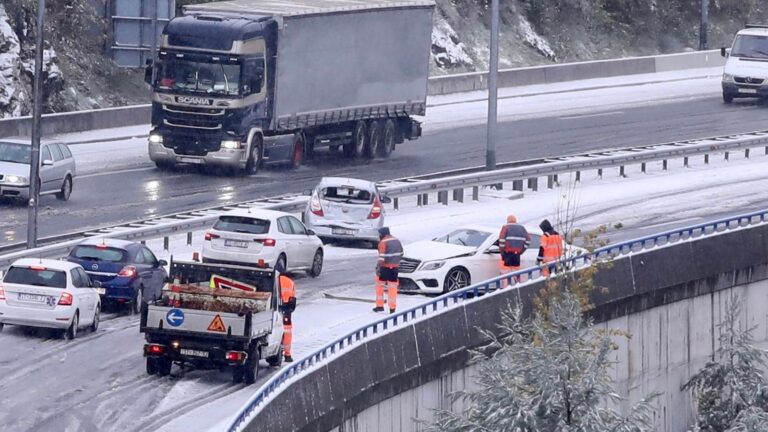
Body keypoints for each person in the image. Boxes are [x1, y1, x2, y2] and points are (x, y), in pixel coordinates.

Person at [373, 227, 403, 314]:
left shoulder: (383, 242)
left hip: (385, 268)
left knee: (379, 285)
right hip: (395, 267)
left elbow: (381, 259)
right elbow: (401, 253)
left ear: (382, 234)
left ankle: (379, 306)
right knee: (393, 287)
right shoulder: (397, 240)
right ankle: (392, 308)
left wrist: (378, 268)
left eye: (379, 234)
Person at [497, 214, 530, 286]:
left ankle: (506, 288)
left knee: (505, 273)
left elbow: (501, 241)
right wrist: (522, 250)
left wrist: (502, 252)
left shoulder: (505, 227)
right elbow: (528, 240)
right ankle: (518, 286)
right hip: (517, 255)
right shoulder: (522, 228)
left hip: (507, 253)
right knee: (516, 272)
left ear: (508, 221)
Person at [276, 262, 296, 363]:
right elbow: (293, 298)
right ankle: (287, 355)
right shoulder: (290, 282)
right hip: (287, 310)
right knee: (287, 331)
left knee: (275, 330)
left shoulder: (273, 280)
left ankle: (277, 350)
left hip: (275, 309)